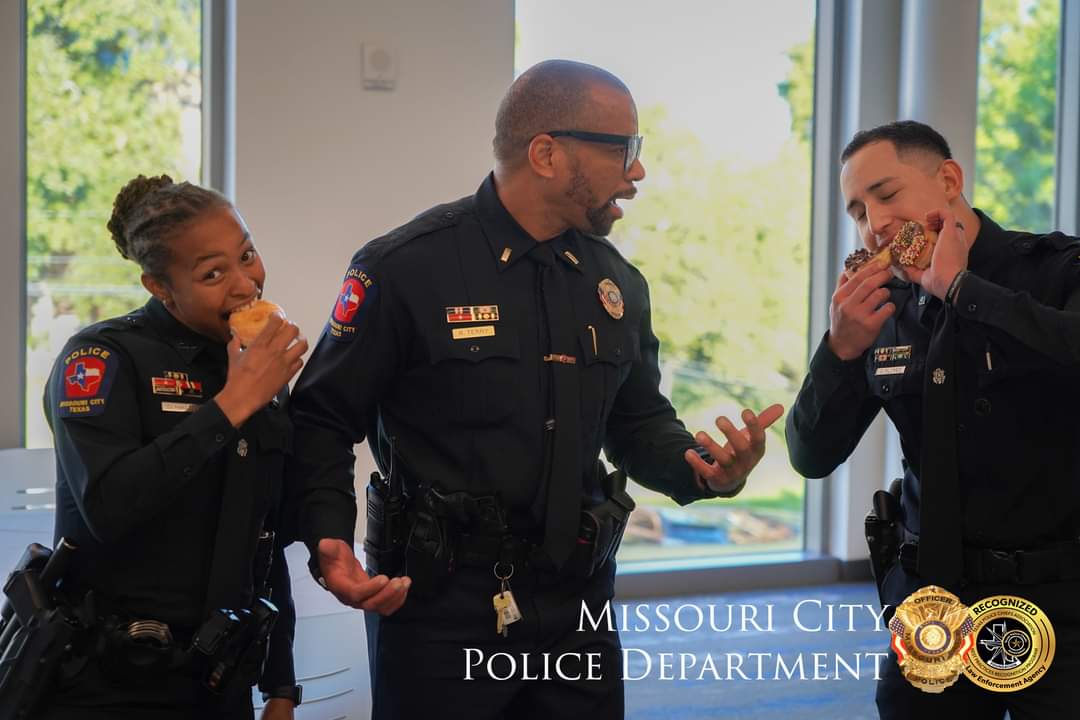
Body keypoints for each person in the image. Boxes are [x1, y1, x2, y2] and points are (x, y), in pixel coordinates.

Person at [290, 59, 783, 719]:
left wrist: (703, 468)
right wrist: (329, 538)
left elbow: (637, 422)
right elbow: (321, 417)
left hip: (577, 600)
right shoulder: (405, 268)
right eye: (623, 149)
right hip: (438, 603)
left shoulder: (616, 284)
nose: (638, 171)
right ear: (546, 154)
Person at [785, 120, 1080, 718]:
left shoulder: (1055, 271)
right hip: (933, 600)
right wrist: (839, 351)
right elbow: (811, 455)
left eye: (886, 194)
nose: (874, 223)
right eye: (858, 211)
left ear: (948, 180)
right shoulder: (883, 311)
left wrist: (960, 289)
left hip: (1060, 603)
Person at [41, 175, 309, 719]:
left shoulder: (252, 368)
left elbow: (261, 537)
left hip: (219, 678)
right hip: (108, 681)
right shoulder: (100, 357)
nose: (246, 284)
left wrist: (281, 685)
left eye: (247, 255)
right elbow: (108, 507)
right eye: (213, 273)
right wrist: (230, 406)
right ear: (159, 286)